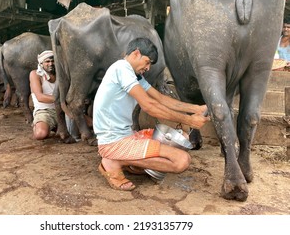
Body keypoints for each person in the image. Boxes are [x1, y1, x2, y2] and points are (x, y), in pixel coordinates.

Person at [93, 37, 210, 191]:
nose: (148, 68)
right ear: (136, 53)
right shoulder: (121, 68)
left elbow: (161, 99)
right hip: (113, 142)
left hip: (127, 136)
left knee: (184, 138)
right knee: (181, 161)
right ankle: (113, 161)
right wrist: (188, 120)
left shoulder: (135, 76)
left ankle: (129, 160)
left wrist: (197, 108)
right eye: (147, 62)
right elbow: (149, 106)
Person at [30, 50, 79, 140]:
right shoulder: (35, 74)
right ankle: (39, 125)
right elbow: (40, 97)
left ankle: (56, 127)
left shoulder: (61, 74)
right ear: (41, 63)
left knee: (91, 124)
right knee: (40, 134)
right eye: (47, 61)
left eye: (53, 61)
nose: (51, 64)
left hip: (64, 109)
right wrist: (63, 100)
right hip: (45, 111)